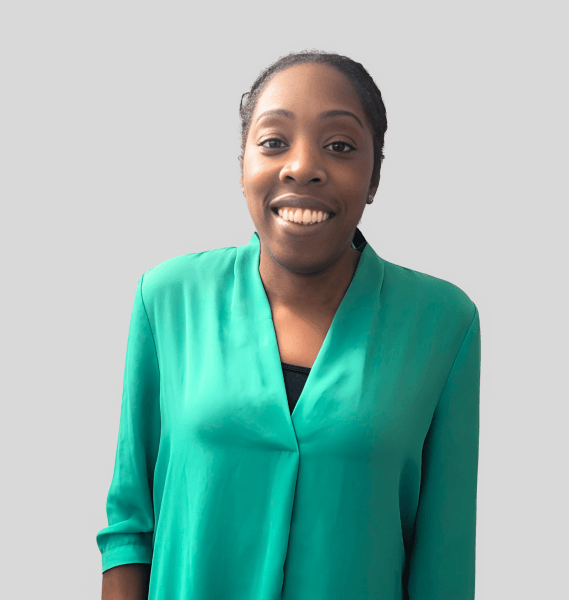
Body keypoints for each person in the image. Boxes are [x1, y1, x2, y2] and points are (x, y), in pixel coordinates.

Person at [97, 50, 481, 600]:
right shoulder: (166, 298)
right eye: (274, 141)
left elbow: (445, 558)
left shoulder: (444, 324)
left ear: (374, 176)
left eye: (340, 146)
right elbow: (130, 527)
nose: (302, 166)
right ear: (242, 167)